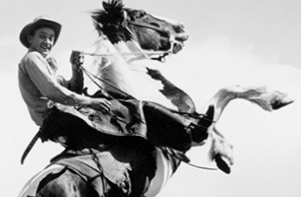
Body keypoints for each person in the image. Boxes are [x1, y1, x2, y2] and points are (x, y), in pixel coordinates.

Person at [18, 16, 213, 159]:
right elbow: (54, 92)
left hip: (59, 120)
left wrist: (75, 68)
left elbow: (71, 89)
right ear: (30, 39)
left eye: (51, 38)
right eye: (43, 37)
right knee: (129, 106)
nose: (48, 42)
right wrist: (92, 102)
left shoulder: (45, 64)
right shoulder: (32, 58)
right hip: (59, 118)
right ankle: (187, 131)